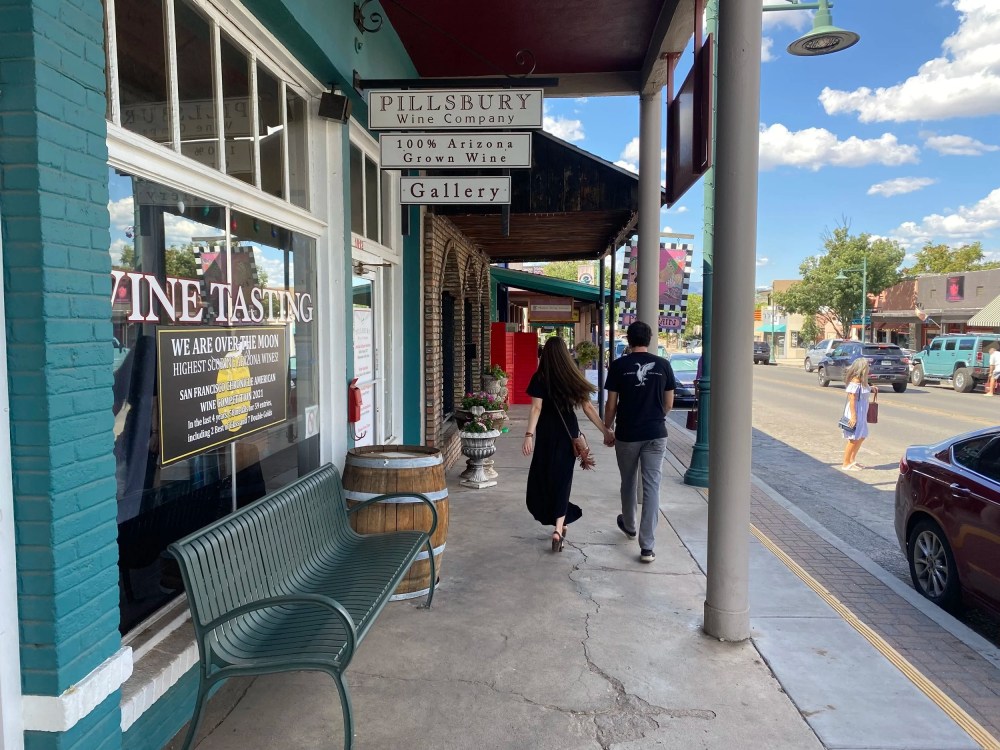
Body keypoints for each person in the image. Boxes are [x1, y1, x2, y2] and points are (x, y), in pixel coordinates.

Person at [522, 338, 613, 552]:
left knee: (542, 480)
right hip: (568, 435)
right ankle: (558, 529)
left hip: (546, 436)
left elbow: (536, 409)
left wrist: (529, 435)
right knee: (563, 481)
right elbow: (589, 408)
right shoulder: (571, 377)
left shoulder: (540, 377)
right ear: (564, 355)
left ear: (545, 355)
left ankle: (557, 526)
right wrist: (605, 431)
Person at [603, 321, 676, 564]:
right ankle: (647, 547)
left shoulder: (618, 365)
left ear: (628, 340)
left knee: (628, 481)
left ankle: (630, 525)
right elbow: (669, 404)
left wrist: (607, 428)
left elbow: (611, 404)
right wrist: (655, 419)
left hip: (627, 434)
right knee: (652, 486)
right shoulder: (664, 365)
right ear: (650, 339)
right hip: (656, 433)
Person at [840, 358, 876, 471]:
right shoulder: (855, 381)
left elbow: (864, 391)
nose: (868, 368)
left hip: (862, 412)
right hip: (855, 412)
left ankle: (852, 460)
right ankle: (846, 463)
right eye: (867, 366)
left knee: (862, 436)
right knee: (853, 438)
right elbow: (852, 400)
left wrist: (872, 388)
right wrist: (854, 416)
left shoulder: (862, 381)